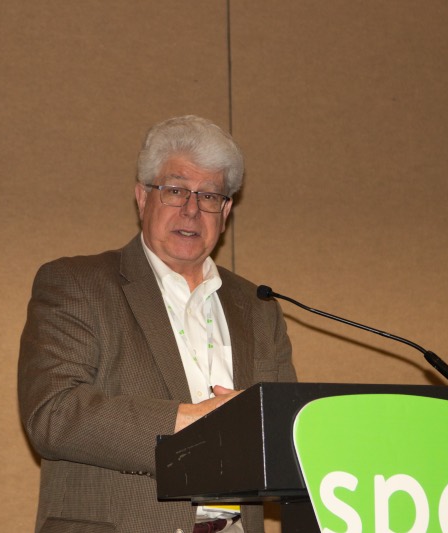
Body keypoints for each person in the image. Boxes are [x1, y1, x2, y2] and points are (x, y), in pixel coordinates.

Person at [18, 115, 297, 533]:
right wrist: (189, 422)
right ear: (142, 198)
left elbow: (285, 432)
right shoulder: (77, 284)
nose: (191, 209)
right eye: (175, 190)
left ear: (225, 211)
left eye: (208, 195)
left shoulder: (259, 307)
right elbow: (53, 415)